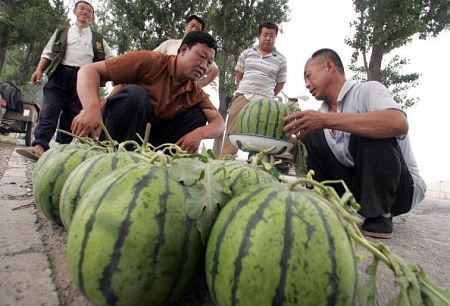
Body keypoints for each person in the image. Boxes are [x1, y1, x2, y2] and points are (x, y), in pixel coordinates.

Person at [284, 48, 426, 239]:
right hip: (359, 186)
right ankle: (328, 206)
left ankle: (380, 214)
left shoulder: (368, 90)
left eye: (309, 76)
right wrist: (283, 140)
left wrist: (326, 120)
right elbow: (306, 152)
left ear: (329, 66)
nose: (307, 85)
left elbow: (398, 123)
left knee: (363, 126)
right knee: (311, 135)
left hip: (400, 190)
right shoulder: (321, 113)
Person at [70, 31, 224, 153]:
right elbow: (89, 70)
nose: (204, 66)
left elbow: (218, 123)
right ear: (183, 50)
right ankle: (113, 154)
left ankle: (163, 167)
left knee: (197, 115)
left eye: (209, 63)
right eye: (201, 57)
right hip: (119, 134)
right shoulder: (149, 61)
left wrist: (199, 134)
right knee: (135, 95)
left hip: (150, 143)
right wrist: (91, 108)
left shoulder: (194, 92)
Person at [16, 0, 114, 161]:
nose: (84, 12)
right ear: (75, 12)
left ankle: (62, 151)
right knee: (50, 109)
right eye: (81, 9)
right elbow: (48, 53)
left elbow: (111, 59)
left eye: (88, 11)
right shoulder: (62, 32)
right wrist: (39, 70)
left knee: (72, 114)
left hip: (83, 80)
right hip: (59, 75)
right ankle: (39, 146)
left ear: (93, 17)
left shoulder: (98, 39)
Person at [219, 21, 287, 158]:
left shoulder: (281, 59)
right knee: (232, 131)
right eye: (265, 35)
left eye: (272, 36)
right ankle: (224, 162)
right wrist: (245, 90)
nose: (268, 38)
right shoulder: (246, 53)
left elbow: (280, 83)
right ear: (259, 36)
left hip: (266, 101)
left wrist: (267, 95)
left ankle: (257, 165)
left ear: (275, 37)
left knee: (262, 134)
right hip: (243, 96)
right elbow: (239, 76)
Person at [154, 14, 219, 88]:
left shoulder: (203, 52)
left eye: (198, 29)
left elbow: (215, 70)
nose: (194, 29)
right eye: (192, 26)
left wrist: (199, 86)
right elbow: (152, 57)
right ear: (186, 26)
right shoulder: (170, 43)